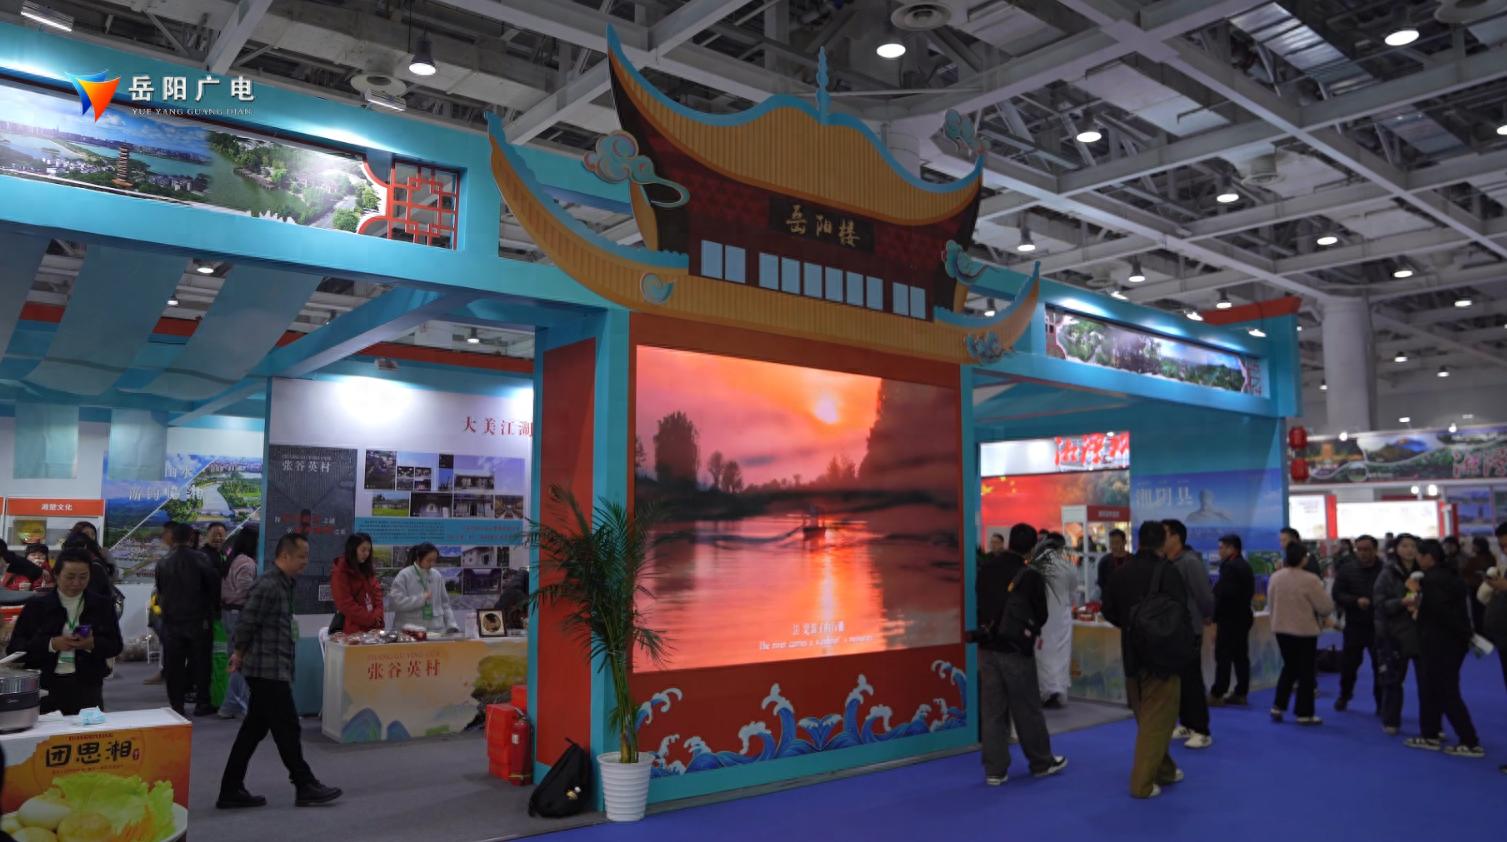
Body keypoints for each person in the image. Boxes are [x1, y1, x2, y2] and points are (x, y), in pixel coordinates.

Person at [218, 533, 342, 810]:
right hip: (266, 670)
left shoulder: (284, 584)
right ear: (284, 556)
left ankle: (230, 789)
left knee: (253, 730)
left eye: (306, 556)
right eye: (301, 556)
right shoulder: (269, 585)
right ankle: (304, 784)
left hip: (273, 667)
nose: (305, 562)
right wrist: (239, 654)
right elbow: (246, 623)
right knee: (287, 727)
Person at [976, 524, 1067, 785]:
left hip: (987, 647)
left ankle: (995, 770)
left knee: (992, 712)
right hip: (1017, 650)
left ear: (1008, 541)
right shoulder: (1030, 576)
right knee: (1027, 708)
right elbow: (1041, 615)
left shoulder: (987, 568)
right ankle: (1041, 762)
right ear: (1032, 547)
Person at [1103, 521, 1189, 799]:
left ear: (1139, 541)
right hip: (1162, 655)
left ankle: (1164, 769)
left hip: (1131, 651)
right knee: (1158, 718)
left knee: (1148, 716)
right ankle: (1142, 783)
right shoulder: (1168, 571)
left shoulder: (1121, 572)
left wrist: (1132, 626)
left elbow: (1108, 610)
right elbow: (1180, 612)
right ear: (1163, 542)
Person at [5, 549, 123, 714]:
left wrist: (92, 643)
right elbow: (15, 649)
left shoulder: (102, 605)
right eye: (70, 577)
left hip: (88, 685)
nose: (76, 583)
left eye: (83, 577)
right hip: (46, 685)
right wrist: (51, 644)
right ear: (56, 575)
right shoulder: (37, 606)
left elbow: (116, 645)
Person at [1405, 539, 1483, 757]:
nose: (1416, 558)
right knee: (1432, 688)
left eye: (1419, 555)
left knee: (1446, 691)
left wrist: (1416, 593)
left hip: (1441, 643)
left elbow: (1439, 612)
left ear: (1428, 557)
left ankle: (1470, 741)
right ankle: (1429, 734)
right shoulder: (1450, 575)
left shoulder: (1433, 581)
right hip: (1447, 642)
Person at [155, 522, 220, 716]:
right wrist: (214, 611)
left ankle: (177, 705)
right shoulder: (201, 558)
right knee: (201, 663)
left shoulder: (163, 562)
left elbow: (160, 590)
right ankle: (202, 703)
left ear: (173, 538)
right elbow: (213, 587)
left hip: (171, 620)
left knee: (173, 665)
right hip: (199, 619)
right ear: (191, 537)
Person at [1267, 543, 1334, 725]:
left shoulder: (1275, 577)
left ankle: (1278, 706)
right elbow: (1325, 607)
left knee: (1289, 667)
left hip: (1281, 629)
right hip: (1304, 631)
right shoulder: (1310, 579)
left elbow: (1271, 603)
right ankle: (1304, 713)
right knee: (1306, 672)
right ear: (1303, 558)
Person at [1161, 520, 1214, 749]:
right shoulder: (1166, 562)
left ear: (1176, 537)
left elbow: (1204, 595)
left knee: (1192, 680)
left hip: (1189, 629)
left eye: (1164, 533)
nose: (1161, 538)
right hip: (1170, 629)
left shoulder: (1190, 562)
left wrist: (1207, 616)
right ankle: (1187, 723)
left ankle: (1202, 729)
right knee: (1179, 680)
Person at [1375, 533, 1423, 736]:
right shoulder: (1387, 573)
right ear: (1396, 548)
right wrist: (1401, 603)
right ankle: (1391, 720)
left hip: (1423, 632)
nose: (1409, 550)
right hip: (1395, 633)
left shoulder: (1425, 571)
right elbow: (1379, 604)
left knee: (1429, 682)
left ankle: (1432, 726)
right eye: (1404, 545)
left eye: (1413, 546)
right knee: (1393, 680)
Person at [1332, 535, 1384, 713]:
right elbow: (1337, 594)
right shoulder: (1347, 569)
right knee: (1349, 665)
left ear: (1375, 550)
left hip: (1379, 625)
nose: (1362, 553)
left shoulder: (1385, 570)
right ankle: (1344, 695)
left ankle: (1381, 702)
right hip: (1354, 625)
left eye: (1366, 549)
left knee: (1381, 666)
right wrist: (1355, 601)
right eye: (1359, 549)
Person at [218, 526, 259, 720]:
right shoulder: (247, 563)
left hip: (229, 613)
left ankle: (231, 705)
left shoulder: (234, 559)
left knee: (236, 659)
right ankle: (237, 706)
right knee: (241, 661)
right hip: (240, 615)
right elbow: (246, 590)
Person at [1031, 532, 1076, 709]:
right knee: (1061, 655)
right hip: (1062, 619)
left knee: (1041, 654)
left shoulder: (1036, 565)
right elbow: (1073, 590)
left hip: (1041, 618)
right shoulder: (1067, 566)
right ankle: (1057, 690)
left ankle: (1043, 691)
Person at [1209, 534, 1254, 706]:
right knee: (1241, 656)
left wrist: (1215, 618)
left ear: (1231, 548)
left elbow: (1224, 596)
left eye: (1221, 547)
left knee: (1223, 656)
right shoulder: (1244, 565)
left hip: (1229, 619)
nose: (1219, 551)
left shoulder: (1230, 568)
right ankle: (1241, 692)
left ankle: (1218, 692)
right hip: (1242, 616)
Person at [389, 543, 458, 633]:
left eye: (434, 560)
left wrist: (452, 625)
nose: (432, 564)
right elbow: (395, 603)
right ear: (418, 558)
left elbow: (445, 604)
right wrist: (420, 599)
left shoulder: (437, 575)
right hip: (410, 630)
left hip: (435, 630)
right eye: (429, 560)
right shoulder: (404, 575)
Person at [331, 533, 384, 634]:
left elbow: (377, 594)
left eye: (369, 550)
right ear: (353, 549)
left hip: (374, 629)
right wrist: (371, 619)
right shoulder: (340, 571)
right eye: (363, 550)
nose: (366, 554)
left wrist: (377, 615)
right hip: (353, 630)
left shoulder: (367, 568)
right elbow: (345, 604)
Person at [1462, 536, 1494, 634]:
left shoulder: (1474, 560)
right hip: (1489, 588)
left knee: (1477, 613)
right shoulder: (1491, 557)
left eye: (1474, 545)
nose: (1472, 547)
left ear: (1479, 547)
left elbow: (1465, 572)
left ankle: (1480, 632)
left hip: (1475, 588)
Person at [1095, 529, 1132, 605]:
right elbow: (1101, 584)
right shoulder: (1104, 562)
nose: (1114, 546)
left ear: (1125, 542)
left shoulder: (1132, 560)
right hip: (1110, 603)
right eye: (1112, 543)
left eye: (1117, 543)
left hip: (1129, 602)